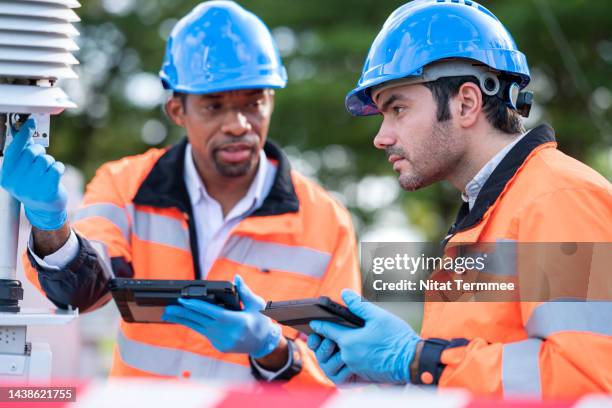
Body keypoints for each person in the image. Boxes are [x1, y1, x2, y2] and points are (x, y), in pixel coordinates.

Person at [0, 1, 360, 385]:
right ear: (177, 110)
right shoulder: (125, 185)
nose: (238, 124)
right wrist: (50, 226)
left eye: (253, 103)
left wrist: (273, 350)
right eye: (214, 106)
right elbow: (84, 291)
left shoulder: (327, 222)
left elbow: (346, 372)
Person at [307, 0, 612, 399]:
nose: (381, 137)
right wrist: (393, 377)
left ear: (466, 103)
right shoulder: (491, 211)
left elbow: (587, 382)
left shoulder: (559, 199)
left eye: (397, 108)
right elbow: (477, 368)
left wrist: (414, 360)